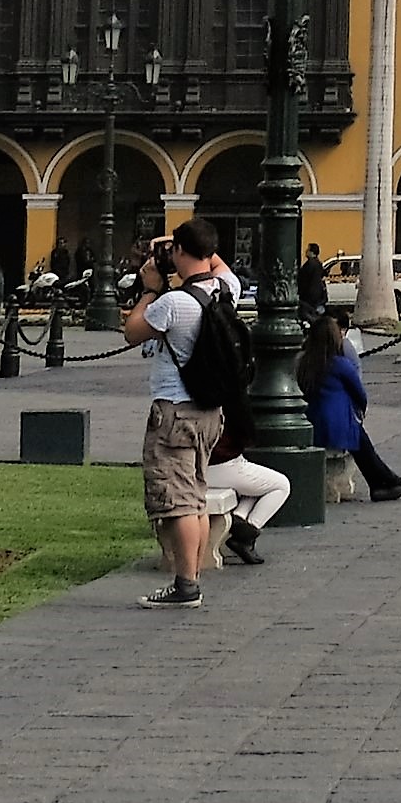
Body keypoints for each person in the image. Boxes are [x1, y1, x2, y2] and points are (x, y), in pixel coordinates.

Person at [132, 238, 232, 610]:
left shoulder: (173, 303)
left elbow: (134, 330)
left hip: (175, 409)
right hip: (210, 412)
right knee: (196, 495)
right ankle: (193, 575)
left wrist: (149, 290)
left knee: (178, 502)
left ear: (179, 254)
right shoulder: (224, 289)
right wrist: (196, 244)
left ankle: (185, 584)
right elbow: (217, 264)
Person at [302, 310, 401, 505]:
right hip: (334, 427)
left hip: (312, 421)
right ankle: (386, 481)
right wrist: (359, 410)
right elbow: (359, 393)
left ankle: (383, 482)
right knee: (360, 438)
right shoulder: (339, 364)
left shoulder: (304, 363)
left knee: (359, 439)